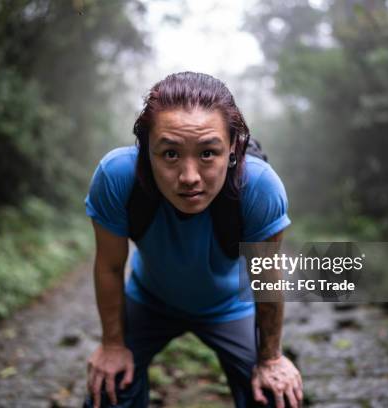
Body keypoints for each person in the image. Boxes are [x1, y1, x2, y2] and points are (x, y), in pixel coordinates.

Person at [83, 72, 303, 408]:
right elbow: (111, 266)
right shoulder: (117, 176)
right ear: (146, 153)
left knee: (273, 397)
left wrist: (271, 359)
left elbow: (267, 280)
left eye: (207, 154)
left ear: (233, 148)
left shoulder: (259, 187)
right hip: (149, 298)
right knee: (109, 391)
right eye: (170, 154)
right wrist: (112, 345)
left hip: (231, 306)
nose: (189, 177)